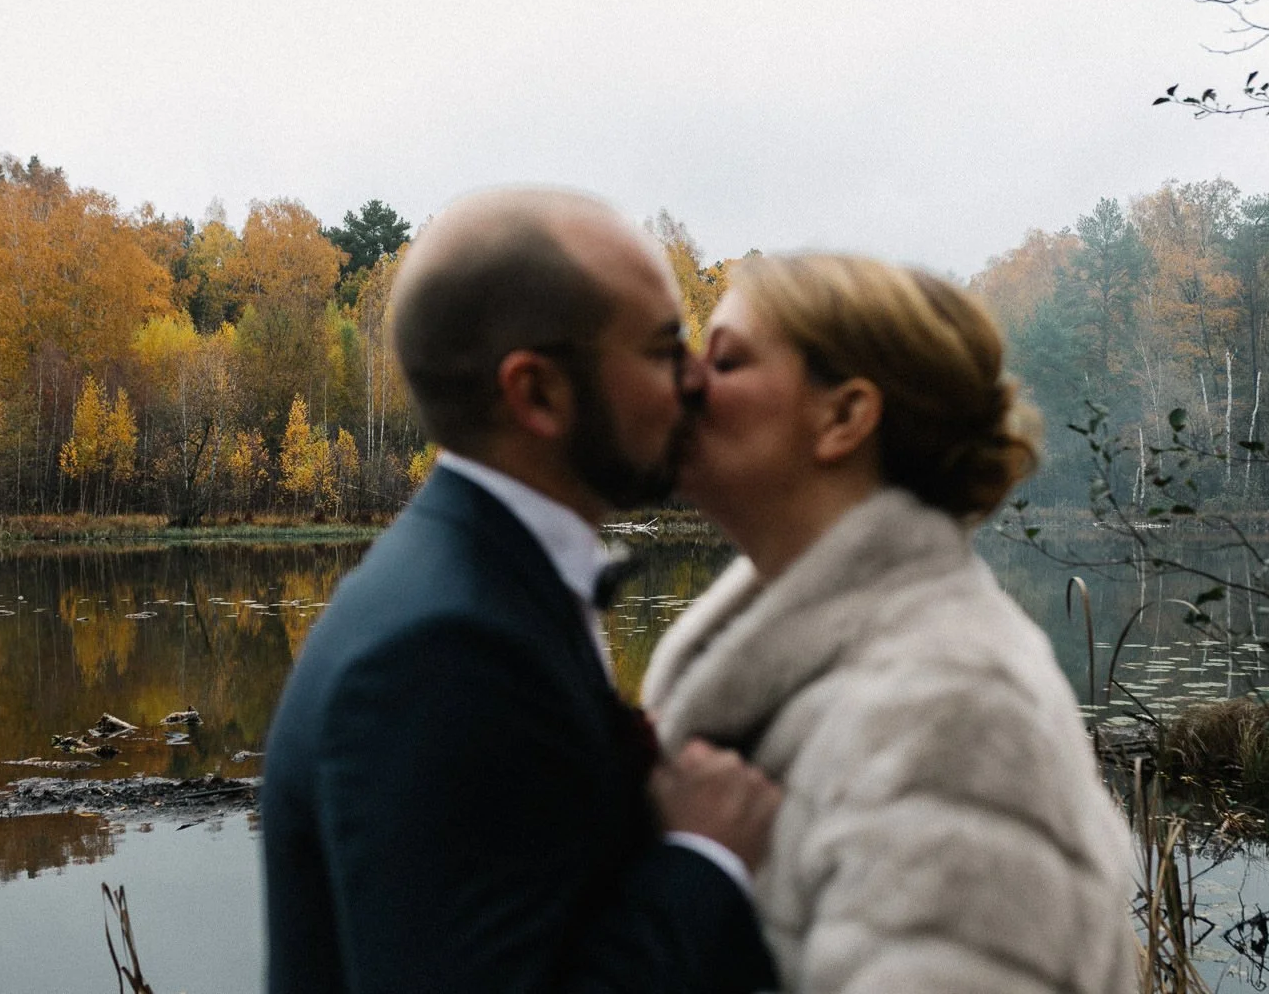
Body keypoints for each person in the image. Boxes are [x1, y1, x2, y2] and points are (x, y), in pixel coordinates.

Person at [261, 188, 780, 994]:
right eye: (661, 348)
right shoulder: (438, 650)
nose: (694, 382)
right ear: (536, 394)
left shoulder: (485, 587)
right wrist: (703, 860)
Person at [643, 254, 1136, 993]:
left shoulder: (955, 709)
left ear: (843, 417)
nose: (684, 383)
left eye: (727, 361)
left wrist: (691, 867)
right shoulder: (850, 670)